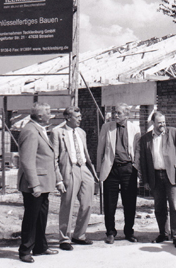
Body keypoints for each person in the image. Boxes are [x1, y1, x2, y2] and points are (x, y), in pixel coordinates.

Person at [17, 102, 62, 263]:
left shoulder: (39, 129)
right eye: (48, 112)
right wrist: (34, 184)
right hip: (35, 184)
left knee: (41, 216)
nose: (51, 114)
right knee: (31, 217)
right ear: (40, 116)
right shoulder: (30, 131)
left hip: (44, 182)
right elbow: (27, 161)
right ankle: (25, 250)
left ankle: (40, 247)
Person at [51, 106, 99, 251]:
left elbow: (85, 153)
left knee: (87, 203)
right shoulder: (57, 133)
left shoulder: (81, 132)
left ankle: (79, 235)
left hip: (84, 167)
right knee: (67, 204)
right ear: (68, 118)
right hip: (69, 169)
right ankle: (64, 238)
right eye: (77, 117)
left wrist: (91, 171)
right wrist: (58, 179)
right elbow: (54, 158)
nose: (80, 119)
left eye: (80, 116)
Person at [139, 111, 176, 249]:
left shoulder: (173, 133)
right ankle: (163, 233)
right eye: (159, 123)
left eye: (164, 122)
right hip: (155, 177)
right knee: (159, 207)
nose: (162, 125)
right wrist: (145, 180)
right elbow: (144, 162)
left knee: (175, 207)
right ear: (153, 123)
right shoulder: (145, 139)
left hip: (171, 176)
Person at [97, 103, 141, 244]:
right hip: (111, 170)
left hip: (128, 169)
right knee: (110, 204)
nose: (115, 115)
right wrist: (99, 170)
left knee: (129, 203)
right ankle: (110, 232)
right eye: (114, 112)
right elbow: (100, 149)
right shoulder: (106, 127)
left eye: (119, 113)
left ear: (127, 115)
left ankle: (129, 231)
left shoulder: (134, 128)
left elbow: (138, 150)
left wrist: (136, 167)